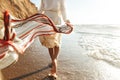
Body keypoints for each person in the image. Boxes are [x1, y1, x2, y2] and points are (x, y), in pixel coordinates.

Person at [39, 0, 70, 79]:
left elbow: (41, 9)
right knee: (56, 41)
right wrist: (66, 20)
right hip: (53, 19)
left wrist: (37, 17)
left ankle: (53, 61)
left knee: (51, 42)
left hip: (48, 19)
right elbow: (63, 8)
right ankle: (54, 60)